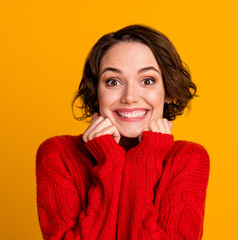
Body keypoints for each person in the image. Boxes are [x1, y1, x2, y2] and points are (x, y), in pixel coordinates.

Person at [36, 24, 210, 240]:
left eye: (147, 81)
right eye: (113, 81)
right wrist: (111, 162)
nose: (129, 96)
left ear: (169, 92)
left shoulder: (188, 159)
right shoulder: (58, 155)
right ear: (96, 92)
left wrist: (145, 160)